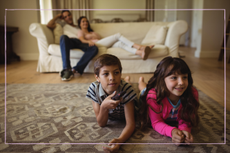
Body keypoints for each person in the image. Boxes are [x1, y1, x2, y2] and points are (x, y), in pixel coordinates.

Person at [138, 56, 200, 145]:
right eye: (174, 77)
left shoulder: (192, 93)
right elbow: (156, 122)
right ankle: (140, 81)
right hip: (148, 93)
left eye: (184, 77)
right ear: (162, 80)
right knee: (143, 88)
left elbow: (186, 118)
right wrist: (172, 131)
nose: (181, 82)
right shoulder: (153, 96)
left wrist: (184, 131)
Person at [86, 54, 136, 152]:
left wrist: (120, 140)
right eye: (106, 74)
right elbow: (101, 123)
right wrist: (104, 107)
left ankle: (134, 81)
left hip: (126, 94)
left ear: (120, 74)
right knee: (125, 84)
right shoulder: (93, 89)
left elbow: (131, 124)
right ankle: (127, 80)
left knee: (140, 90)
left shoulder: (127, 90)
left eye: (116, 73)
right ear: (97, 77)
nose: (112, 77)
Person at [47, 10, 98, 81]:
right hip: (69, 41)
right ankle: (67, 69)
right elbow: (49, 25)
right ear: (63, 19)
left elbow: (85, 34)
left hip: (80, 42)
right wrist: (58, 16)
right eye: (65, 17)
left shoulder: (78, 26)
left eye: (69, 15)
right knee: (63, 37)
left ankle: (75, 69)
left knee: (94, 48)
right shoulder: (63, 25)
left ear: (71, 15)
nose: (68, 17)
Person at [77, 16, 154, 61]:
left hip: (102, 43)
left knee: (120, 43)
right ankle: (140, 46)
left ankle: (140, 52)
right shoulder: (81, 31)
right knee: (118, 35)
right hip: (96, 45)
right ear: (80, 24)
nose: (85, 22)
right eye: (83, 21)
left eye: (86, 21)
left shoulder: (92, 32)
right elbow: (81, 40)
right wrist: (88, 42)